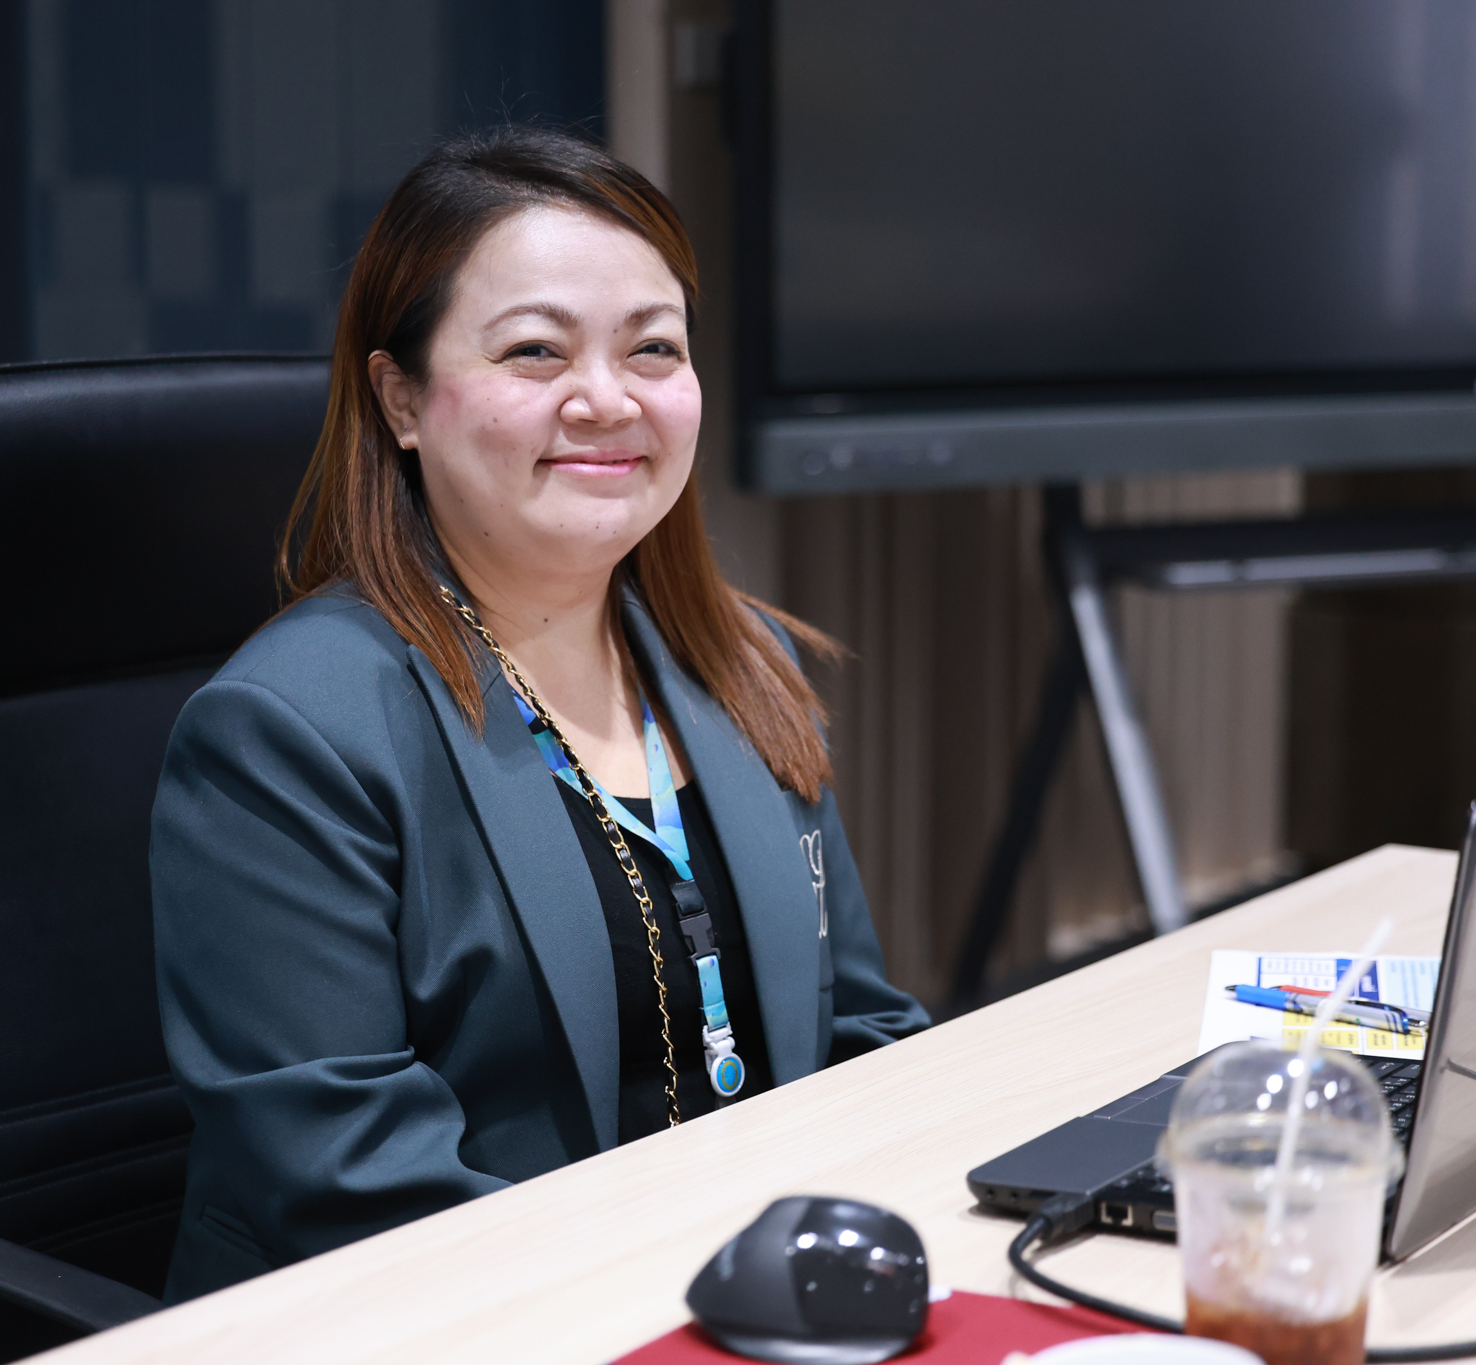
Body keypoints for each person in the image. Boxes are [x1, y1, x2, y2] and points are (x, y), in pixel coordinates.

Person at [151, 125, 930, 1302]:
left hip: (755, 1291)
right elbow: (352, 1186)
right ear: (400, 398)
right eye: (533, 352)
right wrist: (687, 1301)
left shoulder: (740, 661)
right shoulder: (287, 734)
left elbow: (857, 1031)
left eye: (652, 348)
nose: (607, 400)